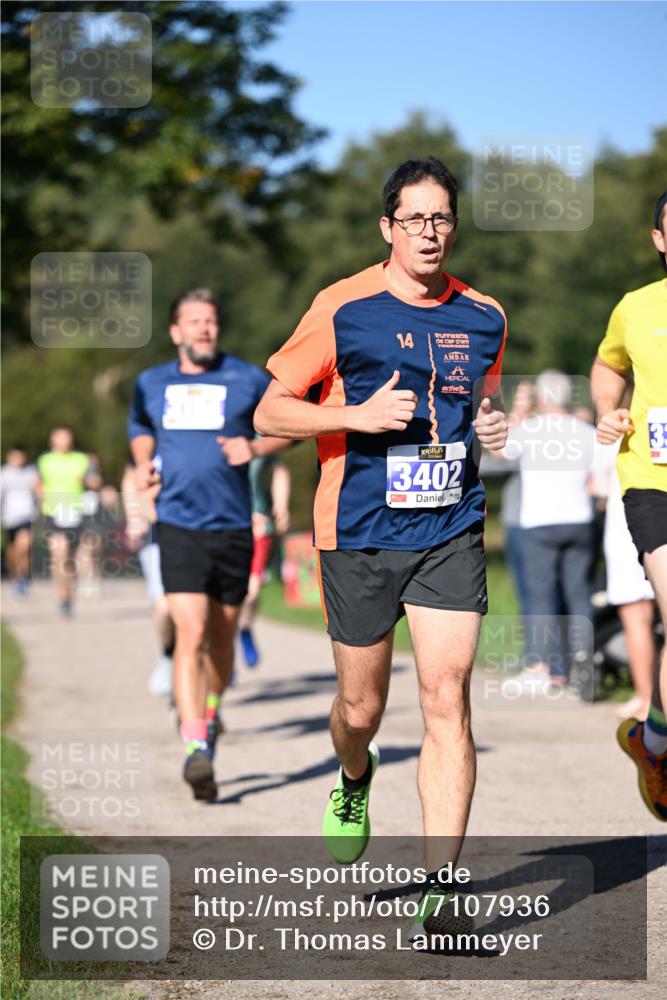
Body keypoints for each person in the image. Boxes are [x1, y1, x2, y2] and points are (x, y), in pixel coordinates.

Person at [254, 157, 508, 935]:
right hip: (358, 533)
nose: (428, 234)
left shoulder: (484, 316)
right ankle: (352, 773)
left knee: (445, 698)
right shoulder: (342, 306)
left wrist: (494, 432)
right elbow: (270, 414)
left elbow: (479, 410)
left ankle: (440, 890)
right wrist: (352, 418)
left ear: (452, 226)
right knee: (360, 708)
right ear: (386, 227)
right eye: (413, 220)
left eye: (441, 219)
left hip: (449, 528)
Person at [128, 288, 289, 802]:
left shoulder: (246, 378)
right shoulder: (151, 383)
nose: (203, 328)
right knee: (189, 630)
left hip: (232, 525)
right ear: (175, 331)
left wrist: (256, 445)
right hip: (176, 524)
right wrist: (143, 464)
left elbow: (290, 421)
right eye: (193, 321)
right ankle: (195, 744)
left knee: (221, 640)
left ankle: (212, 713)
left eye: (211, 321)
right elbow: (139, 429)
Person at [591, 189, 667, 821]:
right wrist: (606, 410)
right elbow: (606, 366)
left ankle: (655, 741)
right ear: (659, 240)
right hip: (653, 480)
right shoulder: (636, 308)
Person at [500, 371, 596, 697]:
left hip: (540, 523)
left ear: (542, 398)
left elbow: (500, 451)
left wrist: (517, 412)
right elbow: (597, 479)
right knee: (578, 595)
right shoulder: (586, 431)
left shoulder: (529, 429)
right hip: (580, 519)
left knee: (542, 597)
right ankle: (583, 666)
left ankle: (542, 669)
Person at [121, 460, 175, 697]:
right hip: (155, 536)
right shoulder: (147, 439)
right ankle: (167, 656)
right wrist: (134, 516)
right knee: (163, 607)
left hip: (196, 532)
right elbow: (131, 477)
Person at [36, 428, 102, 616]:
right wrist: (40, 500)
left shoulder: (81, 459)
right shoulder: (44, 460)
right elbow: (39, 483)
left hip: (75, 512)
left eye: (66, 438)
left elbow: (95, 482)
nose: (63, 442)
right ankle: (61, 596)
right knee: (59, 553)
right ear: (52, 440)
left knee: (70, 559)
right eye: (59, 438)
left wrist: (87, 479)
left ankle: (69, 595)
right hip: (53, 512)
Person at [238, 452, 291, 667]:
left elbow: (279, 468)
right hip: (222, 526)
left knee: (252, 593)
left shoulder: (259, 434)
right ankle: (224, 650)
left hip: (258, 526)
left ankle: (245, 628)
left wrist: (281, 505)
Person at [0, 446, 38, 596]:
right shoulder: (4, 474)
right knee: (13, 551)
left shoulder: (30, 473)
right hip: (10, 518)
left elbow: (39, 491)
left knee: (24, 546)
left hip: (27, 517)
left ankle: (24, 577)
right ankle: (16, 575)